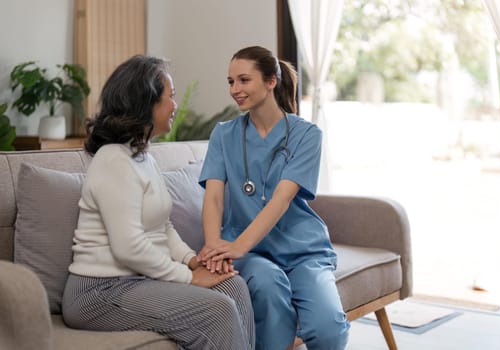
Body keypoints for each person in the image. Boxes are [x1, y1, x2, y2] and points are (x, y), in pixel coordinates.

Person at [61, 54, 255, 350]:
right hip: (98, 291)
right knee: (218, 311)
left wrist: (194, 261)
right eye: (170, 96)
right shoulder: (113, 160)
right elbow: (128, 246)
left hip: (138, 280)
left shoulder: (143, 157)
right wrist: (188, 278)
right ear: (145, 103)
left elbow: (162, 227)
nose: (175, 105)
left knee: (235, 286)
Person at [197, 46, 350, 350]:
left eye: (243, 80)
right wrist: (215, 246)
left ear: (271, 81)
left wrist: (237, 246)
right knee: (269, 293)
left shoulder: (307, 135)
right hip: (254, 255)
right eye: (230, 82)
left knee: (328, 330)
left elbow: (280, 200)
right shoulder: (223, 134)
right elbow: (214, 198)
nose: (235, 90)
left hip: (302, 249)